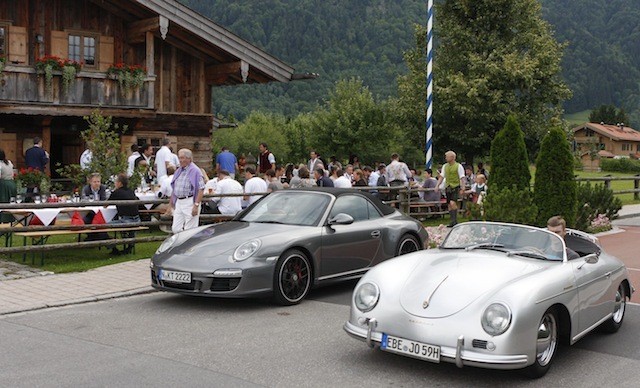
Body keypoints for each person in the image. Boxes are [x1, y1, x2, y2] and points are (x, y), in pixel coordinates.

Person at [170, 148, 205, 233]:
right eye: (179, 158)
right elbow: (174, 187)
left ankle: (189, 245)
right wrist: (171, 202)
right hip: (179, 201)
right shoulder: (179, 171)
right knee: (175, 228)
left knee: (190, 229)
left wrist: (196, 205)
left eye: (182, 158)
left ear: (189, 159)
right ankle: (182, 243)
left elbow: (201, 188)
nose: (180, 160)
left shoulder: (195, 171)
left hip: (190, 201)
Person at [107, 173, 141, 255]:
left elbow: (105, 204)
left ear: (119, 183)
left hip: (126, 220)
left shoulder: (116, 192)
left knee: (103, 226)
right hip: (137, 219)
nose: (115, 183)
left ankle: (113, 246)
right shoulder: (131, 191)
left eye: (116, 181)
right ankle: (129, 246)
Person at [436, 150, 465, 227]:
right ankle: (452, 221)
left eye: (447, 156)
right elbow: (442, 176)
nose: (445, 158)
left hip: (455, 186)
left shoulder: (458, 166)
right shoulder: (445, 166)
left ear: (452, 157)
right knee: (449, 204)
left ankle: (455, 220)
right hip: (448, 186)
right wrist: (437, 185)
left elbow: (462, 177)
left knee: (453, 202)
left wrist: (463, 187)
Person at [0, 149, 17, 222]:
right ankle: (11, 219)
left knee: (4, 202)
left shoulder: (0, 164)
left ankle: (4, 220)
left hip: (4, 185)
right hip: (12, 183)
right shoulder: (9, 162)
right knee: (11, 202)